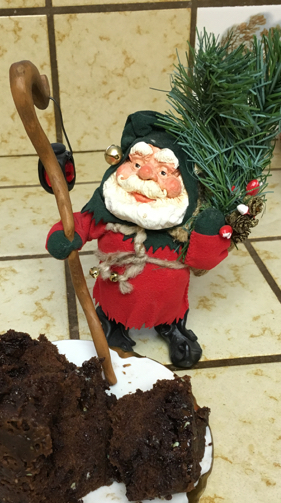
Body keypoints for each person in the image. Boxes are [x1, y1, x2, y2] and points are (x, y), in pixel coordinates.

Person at [46, 111, 231, 368]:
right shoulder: (110, 207)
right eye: (135, 164)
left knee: (172, 308)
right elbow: (81, 222)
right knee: (114, 310)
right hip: (117, 292)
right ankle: (113, 325)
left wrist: (209, 233)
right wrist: (64, 235)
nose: (144, 174)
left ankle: (173, 326)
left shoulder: (184, 223)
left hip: (169, 299)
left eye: (163, 171)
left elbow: (201, 260)